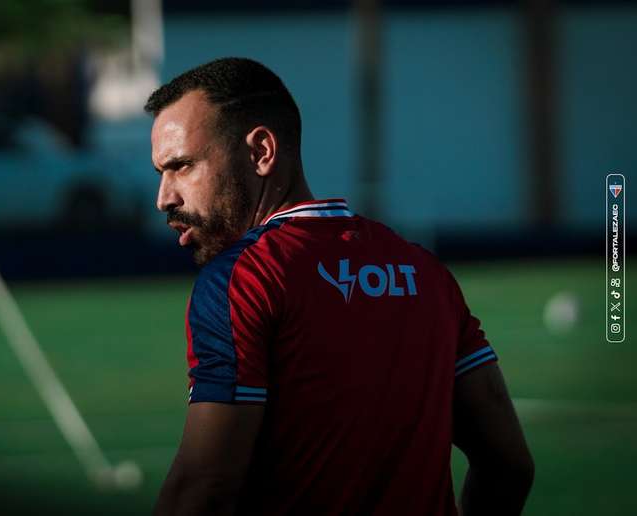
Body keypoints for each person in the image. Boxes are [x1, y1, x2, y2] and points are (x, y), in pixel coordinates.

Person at [145, 57, 533, 515]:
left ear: (261, 152)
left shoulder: (244, 279)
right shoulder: (425, 271)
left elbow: (204, 488)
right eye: (161, 173)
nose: (164, 197)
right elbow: (508, 465)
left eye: (182, 166)